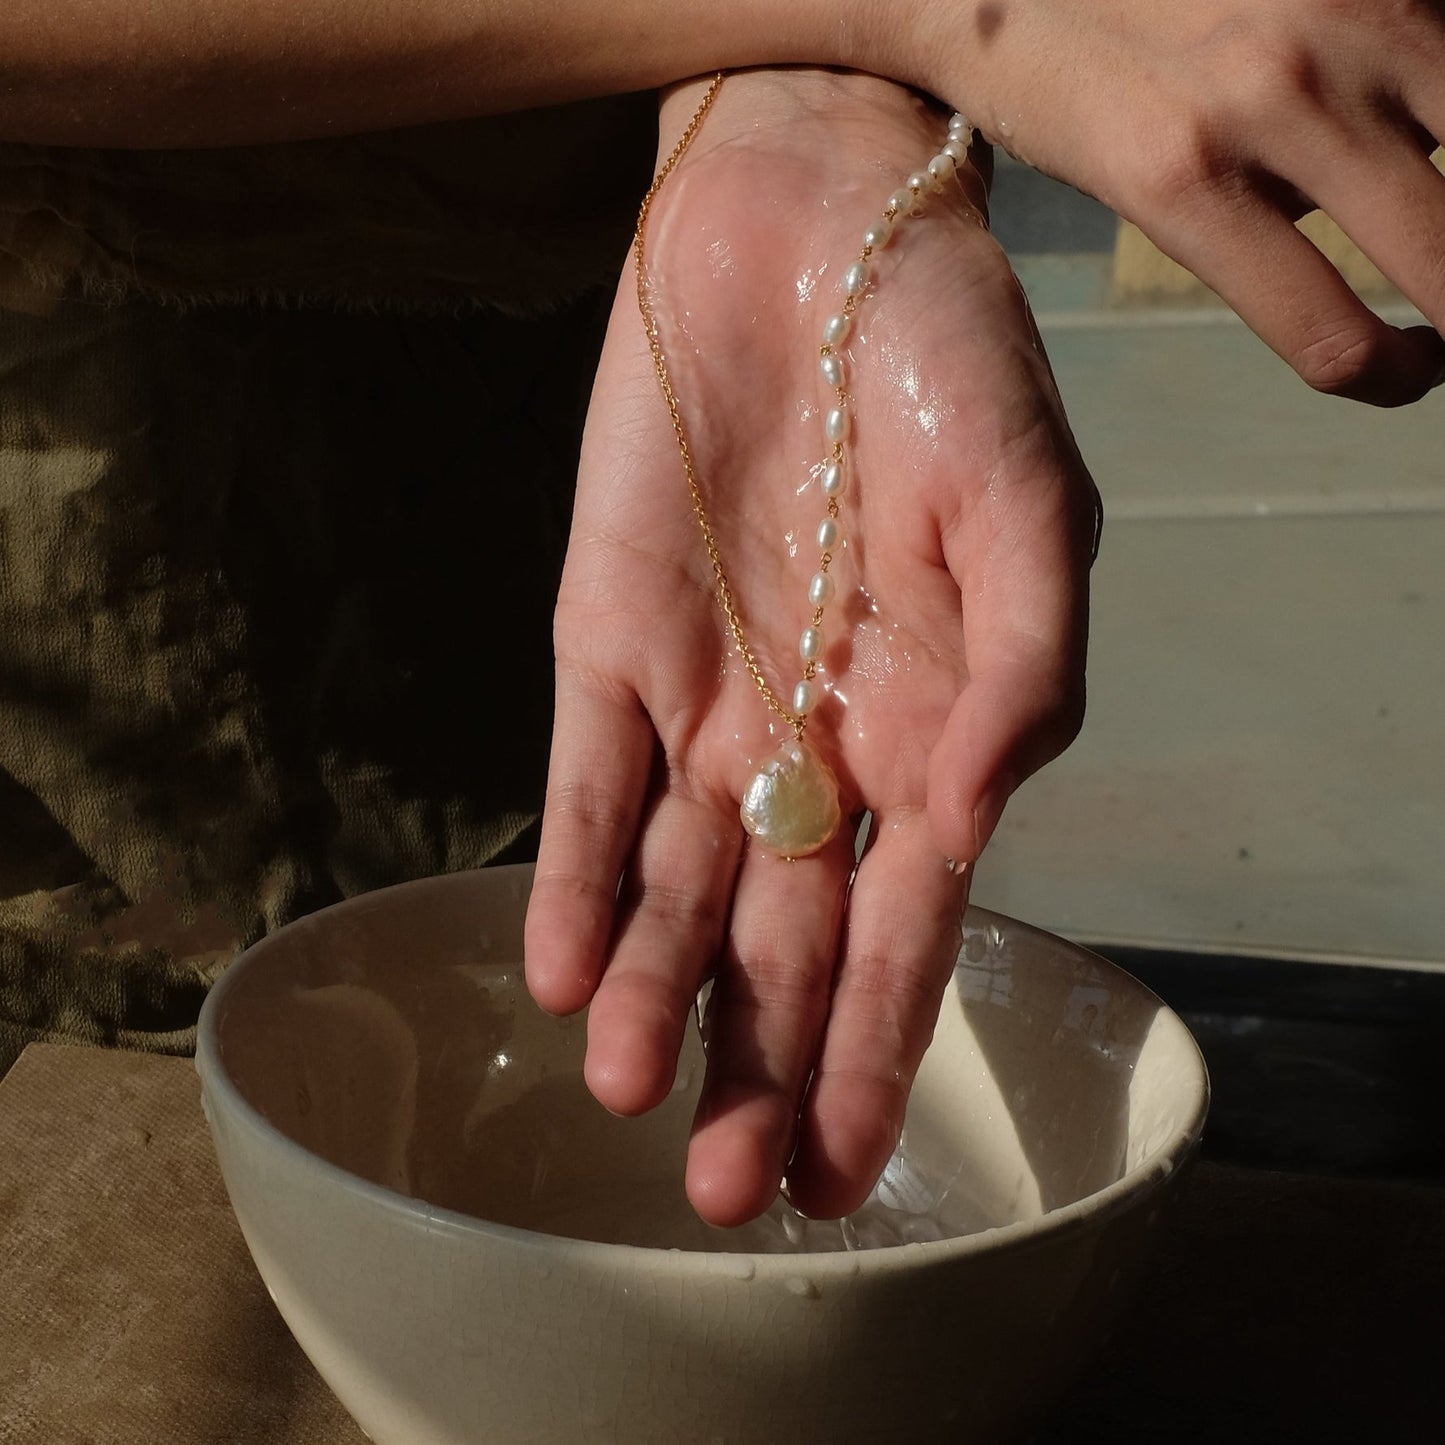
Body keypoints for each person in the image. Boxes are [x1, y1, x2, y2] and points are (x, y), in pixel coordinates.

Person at [1, 5, 1441, 1227]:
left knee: (558, 1046)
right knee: (159, 1171)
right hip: (99, 457)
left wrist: (805, 91)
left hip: (599, 359)